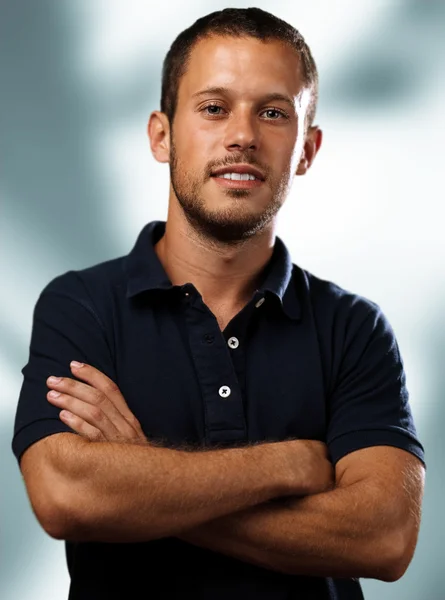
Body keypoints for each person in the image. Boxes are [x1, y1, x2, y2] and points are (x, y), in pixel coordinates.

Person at [12, 7, 425, 600]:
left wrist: (142, 478)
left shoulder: (353, 328)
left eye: (273, 112)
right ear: (162, 135)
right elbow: (65, 495)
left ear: (306, 150)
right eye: (213, 108)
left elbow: (384, 538)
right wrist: (290, 465)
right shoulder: (81, 305)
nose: (242, 135)